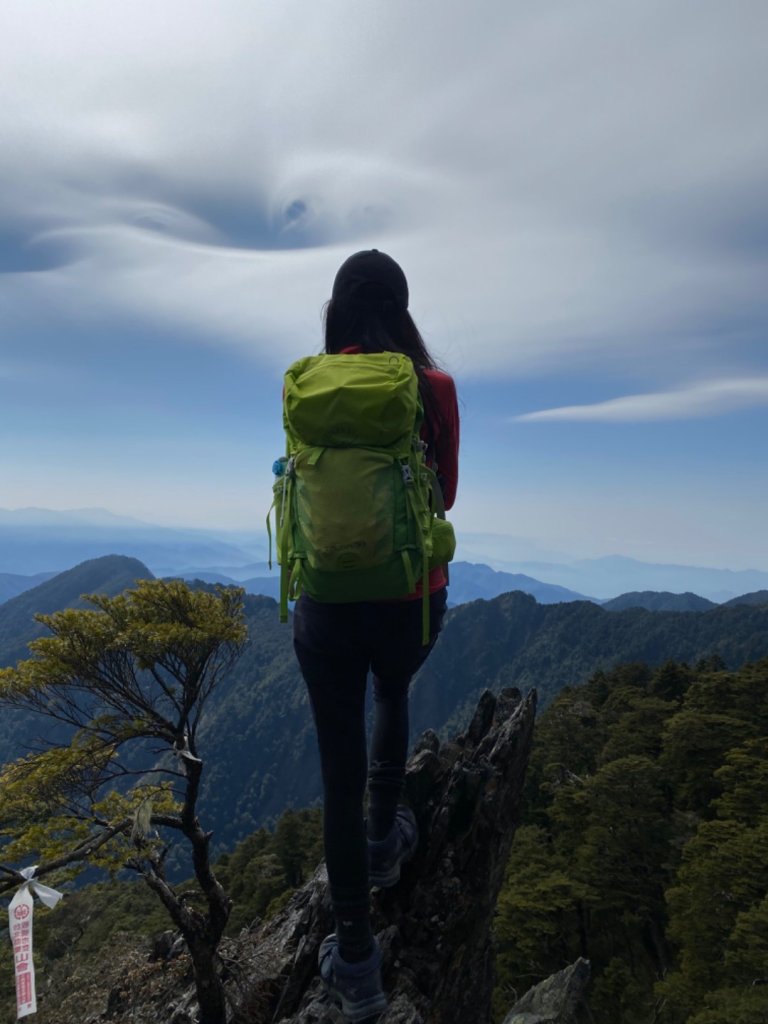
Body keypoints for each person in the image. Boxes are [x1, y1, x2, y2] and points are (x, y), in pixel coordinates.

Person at [291, 249, 459, 1021]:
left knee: (335, 774)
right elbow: (445, 496)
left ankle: (355, 960)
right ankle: (387, 842)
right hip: (408, 602)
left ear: (336, 310)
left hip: (324, 604)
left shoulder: (307, 386)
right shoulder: (432, 388)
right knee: (392, 690)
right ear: (402, 311)